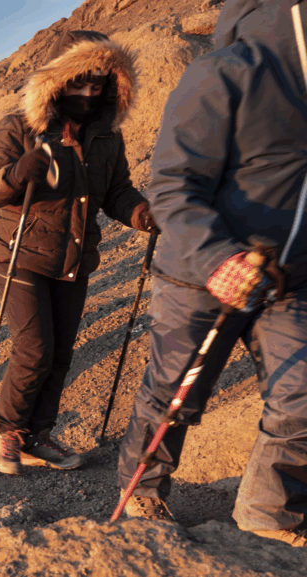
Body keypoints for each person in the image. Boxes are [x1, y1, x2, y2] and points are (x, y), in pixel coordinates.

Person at [116, 0, 307, 546]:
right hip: (200, 278)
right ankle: (142, 496)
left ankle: (271, 514)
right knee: (174, 394)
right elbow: (174, 184)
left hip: (290, 277)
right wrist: (217, 258)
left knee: (303, 390)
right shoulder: (223, 73)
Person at [0, 30, 154, 475]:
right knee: (34, 348)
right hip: (18, 251)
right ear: (57, 81)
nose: (88, 94)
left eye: (98, 85)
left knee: (60, 353)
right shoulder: (21, 127)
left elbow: (116, 192)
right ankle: (9, 433)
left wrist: (140, 213)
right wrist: (18, 172)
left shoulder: (108, 138)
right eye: (79, 83)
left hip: (72, 256)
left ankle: (38, 435)